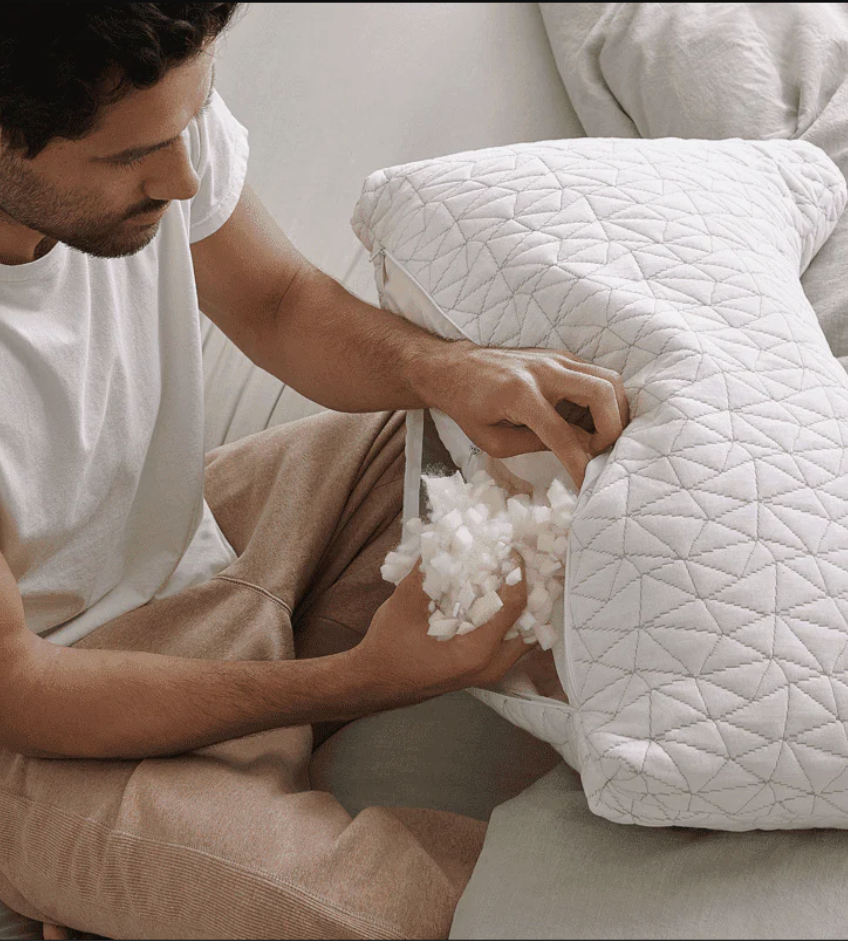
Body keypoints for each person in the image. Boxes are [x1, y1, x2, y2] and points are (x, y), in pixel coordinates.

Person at [0, 4, 628, 939]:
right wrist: (364, 679)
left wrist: (445, 372)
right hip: (49, 720)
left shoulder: (144, 100)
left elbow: (278, 300)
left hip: (209, 533)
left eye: (190, 123)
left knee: (541, 448)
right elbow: (27, 690)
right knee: (369, 920)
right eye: (128, 158)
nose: (182, 176)